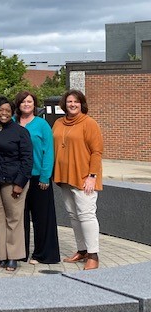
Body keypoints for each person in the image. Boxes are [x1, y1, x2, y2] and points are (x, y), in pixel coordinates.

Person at [53, 89, 103, 270]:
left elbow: (97, 152)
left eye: (75, 101)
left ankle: (93, 255)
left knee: (86, 215)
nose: (72, 104)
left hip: (83, 178)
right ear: (64, 104)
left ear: (82, 104)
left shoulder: (89, 123)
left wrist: (92, 176)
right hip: (65, 176)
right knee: (74, 216)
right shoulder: (58, 123)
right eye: (69, 102)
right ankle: (82, 250)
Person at [15, 90, 60, 265]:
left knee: (42, 218)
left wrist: (45, 176)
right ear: (18, 104)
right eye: (23, 102)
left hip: (38, 177)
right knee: (19, 218)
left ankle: (42, 254)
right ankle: (19, 253)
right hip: (19, 178)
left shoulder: (42, 125)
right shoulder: (12, 123)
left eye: (30, 102)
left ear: (34, 104)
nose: (26, 104)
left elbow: (48, 152)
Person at [0, 96, 33, 272]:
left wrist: (20, 182)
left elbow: (27, 159)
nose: (4, 113)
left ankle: (13, 256)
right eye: (1, 110)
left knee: (14, 219)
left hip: (14, 181)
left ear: (12, 112)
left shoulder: (20, 131)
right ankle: (1, 255)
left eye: (7, 110)